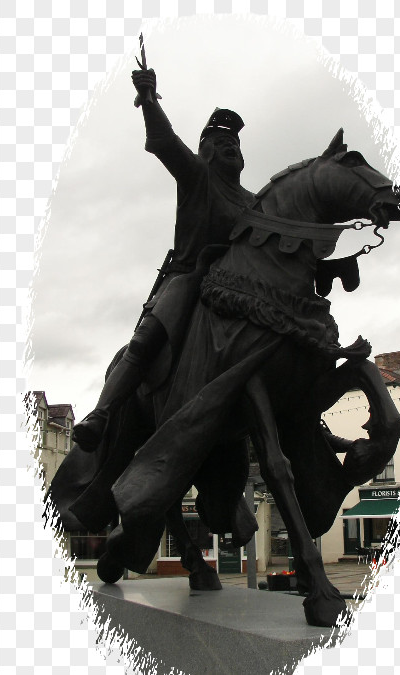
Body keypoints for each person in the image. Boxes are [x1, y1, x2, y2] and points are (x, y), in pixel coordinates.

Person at [72, 67, 255, 451]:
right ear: (205, 150)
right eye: (221, 141)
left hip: (239, 291)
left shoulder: (255, 203)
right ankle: (102, 412)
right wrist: (150, 100)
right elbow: (164, 141)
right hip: (190, 278)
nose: (232, 146)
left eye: (236, 142)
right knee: (149, 337)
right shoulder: (196, 176)